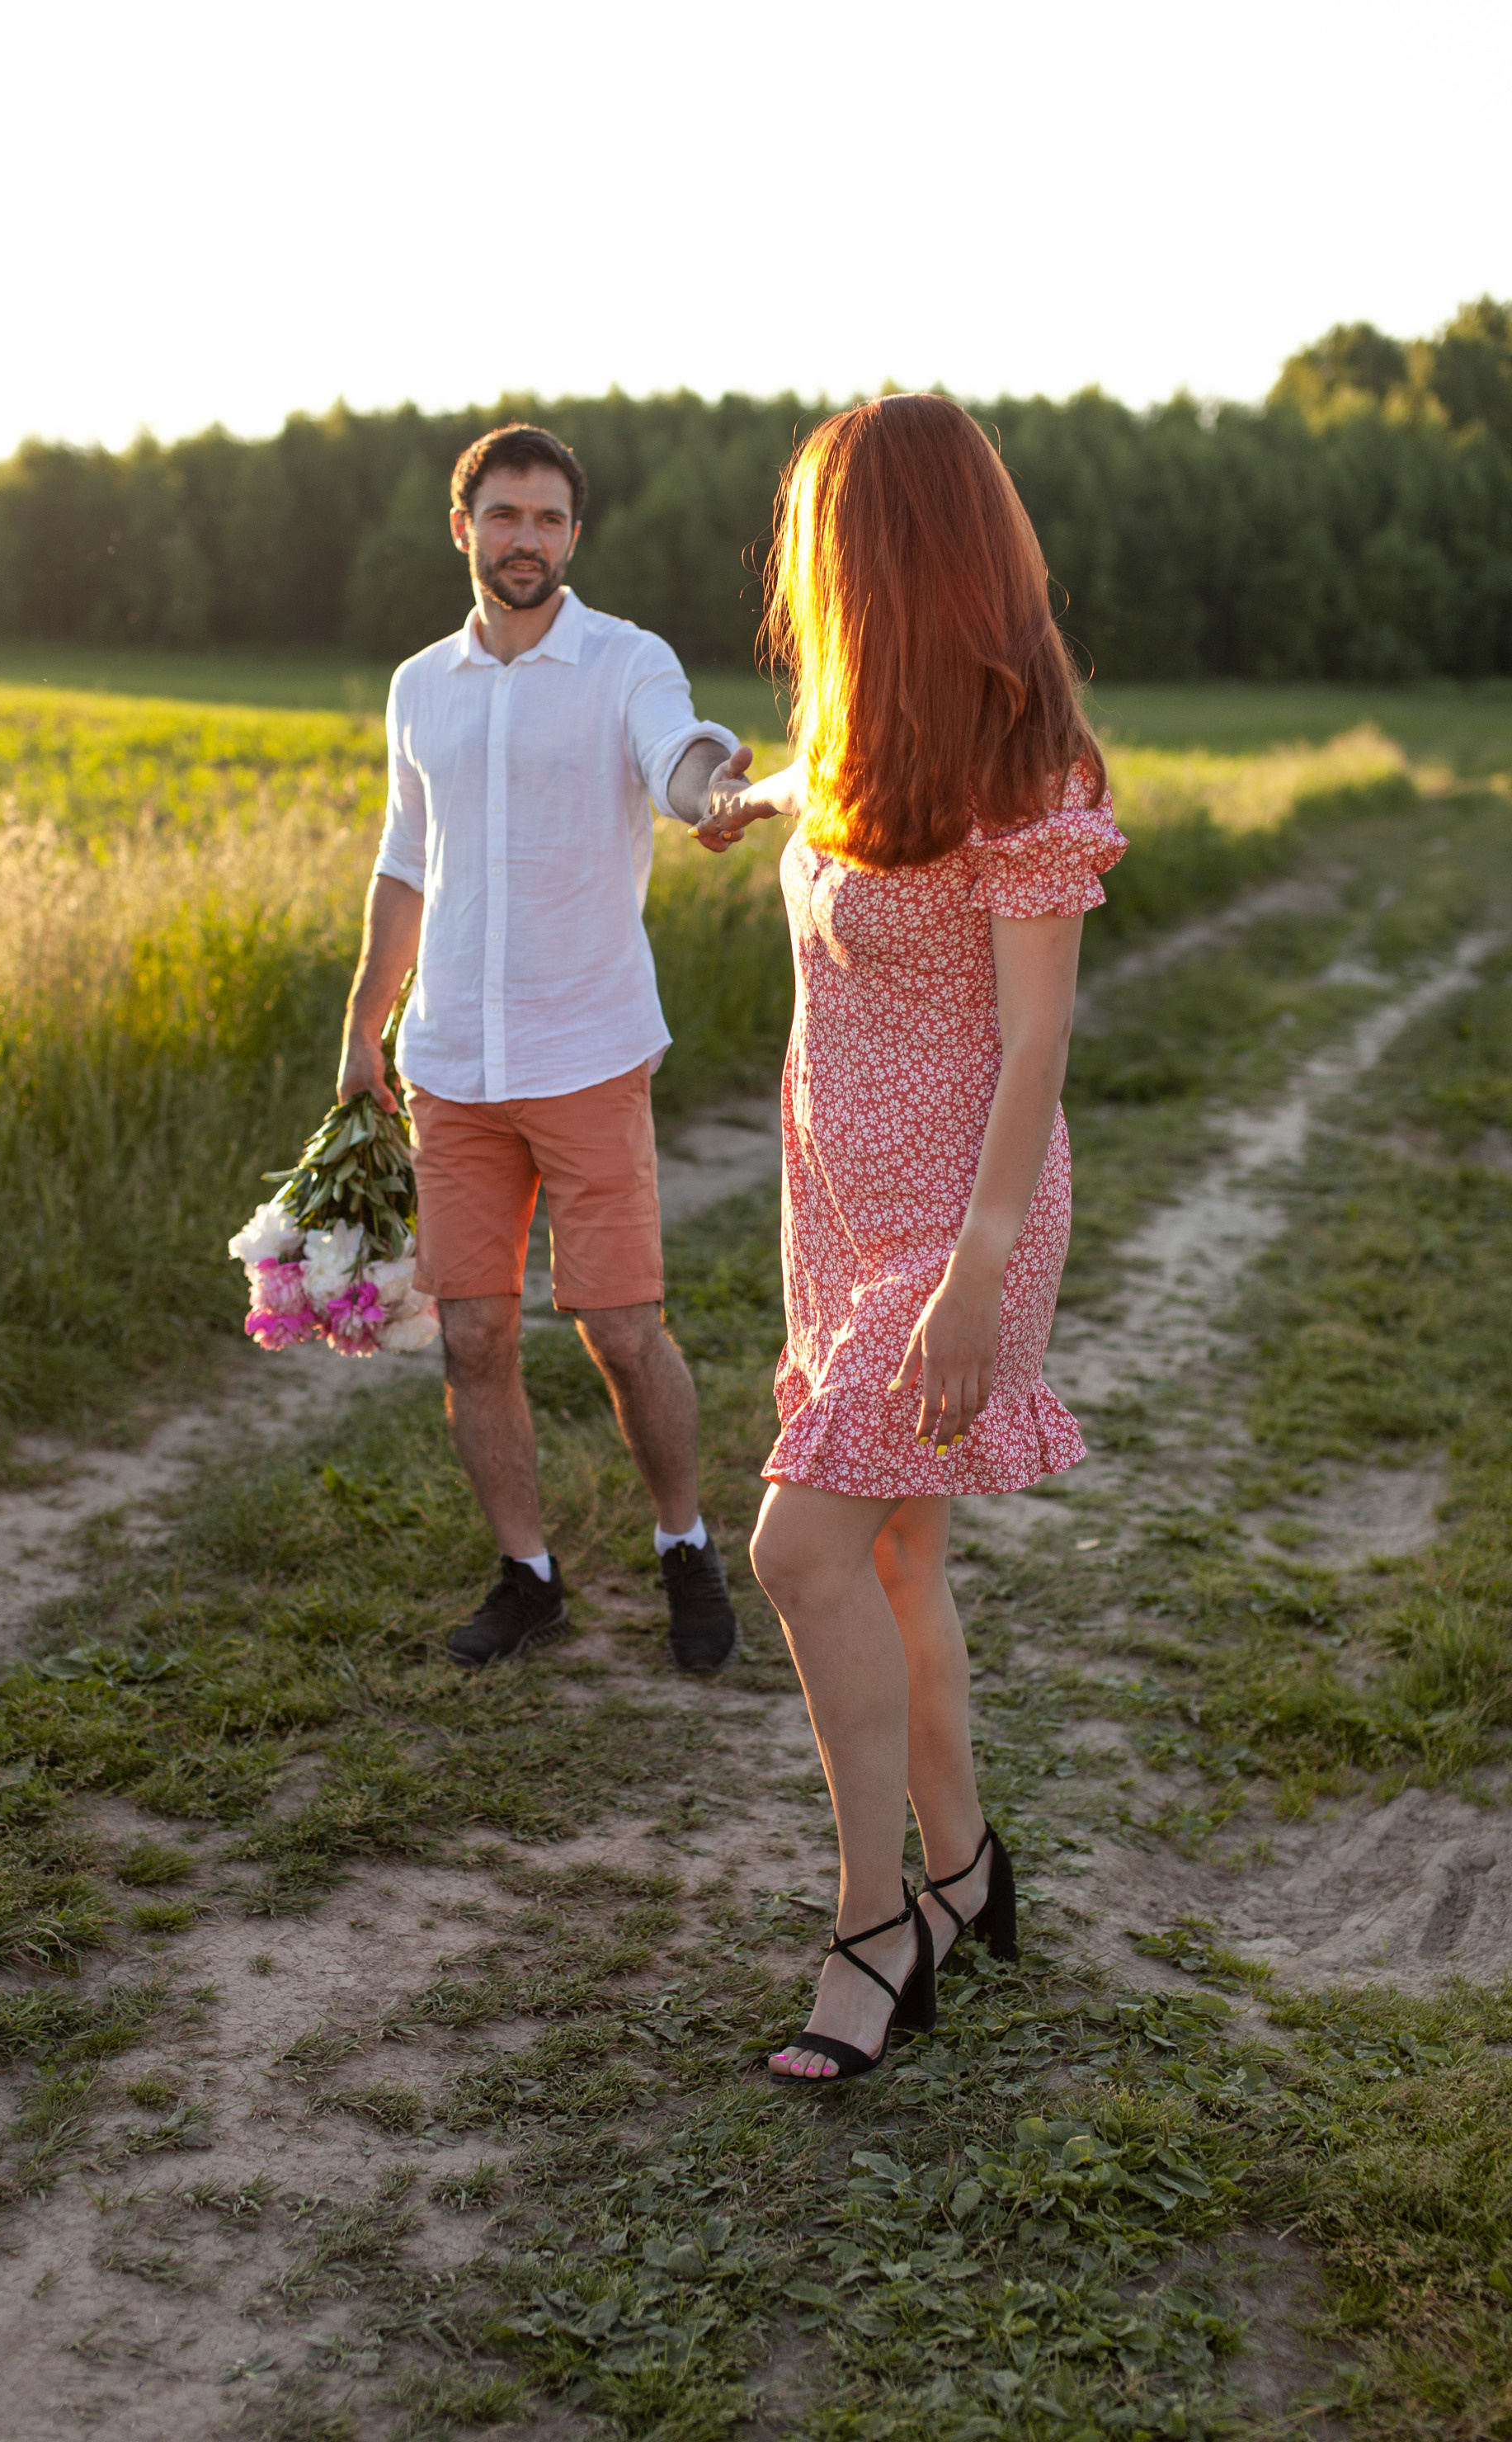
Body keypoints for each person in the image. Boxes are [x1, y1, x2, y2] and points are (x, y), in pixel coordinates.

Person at [695, 394, 1127, 2083]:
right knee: (892, 1562)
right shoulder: (870, 743)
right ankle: (966, 1878)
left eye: (825, 543)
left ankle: (874, 1923)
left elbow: (1036, 1043)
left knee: (798, 1554)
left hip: (958, 1226)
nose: (804, 573)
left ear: (887, 555)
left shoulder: (1029, 767)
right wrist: (753, 798)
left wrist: (974, 1266)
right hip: (839, 1204)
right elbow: (843, 793)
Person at [337, 422, 754, 1674]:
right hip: (450, 1062)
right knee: (473, 1337)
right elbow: (405, 865)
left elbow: (674, 759)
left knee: (623, 1331)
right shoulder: (419, 686)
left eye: (552, 519)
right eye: (506, 516)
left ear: (576, 536)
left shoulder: (626, 661)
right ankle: (528, 1575)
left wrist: (712, 793)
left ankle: (685, 1547)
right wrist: (365, 1023)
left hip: (586, 1052)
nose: (529, 540)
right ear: (462, 528)